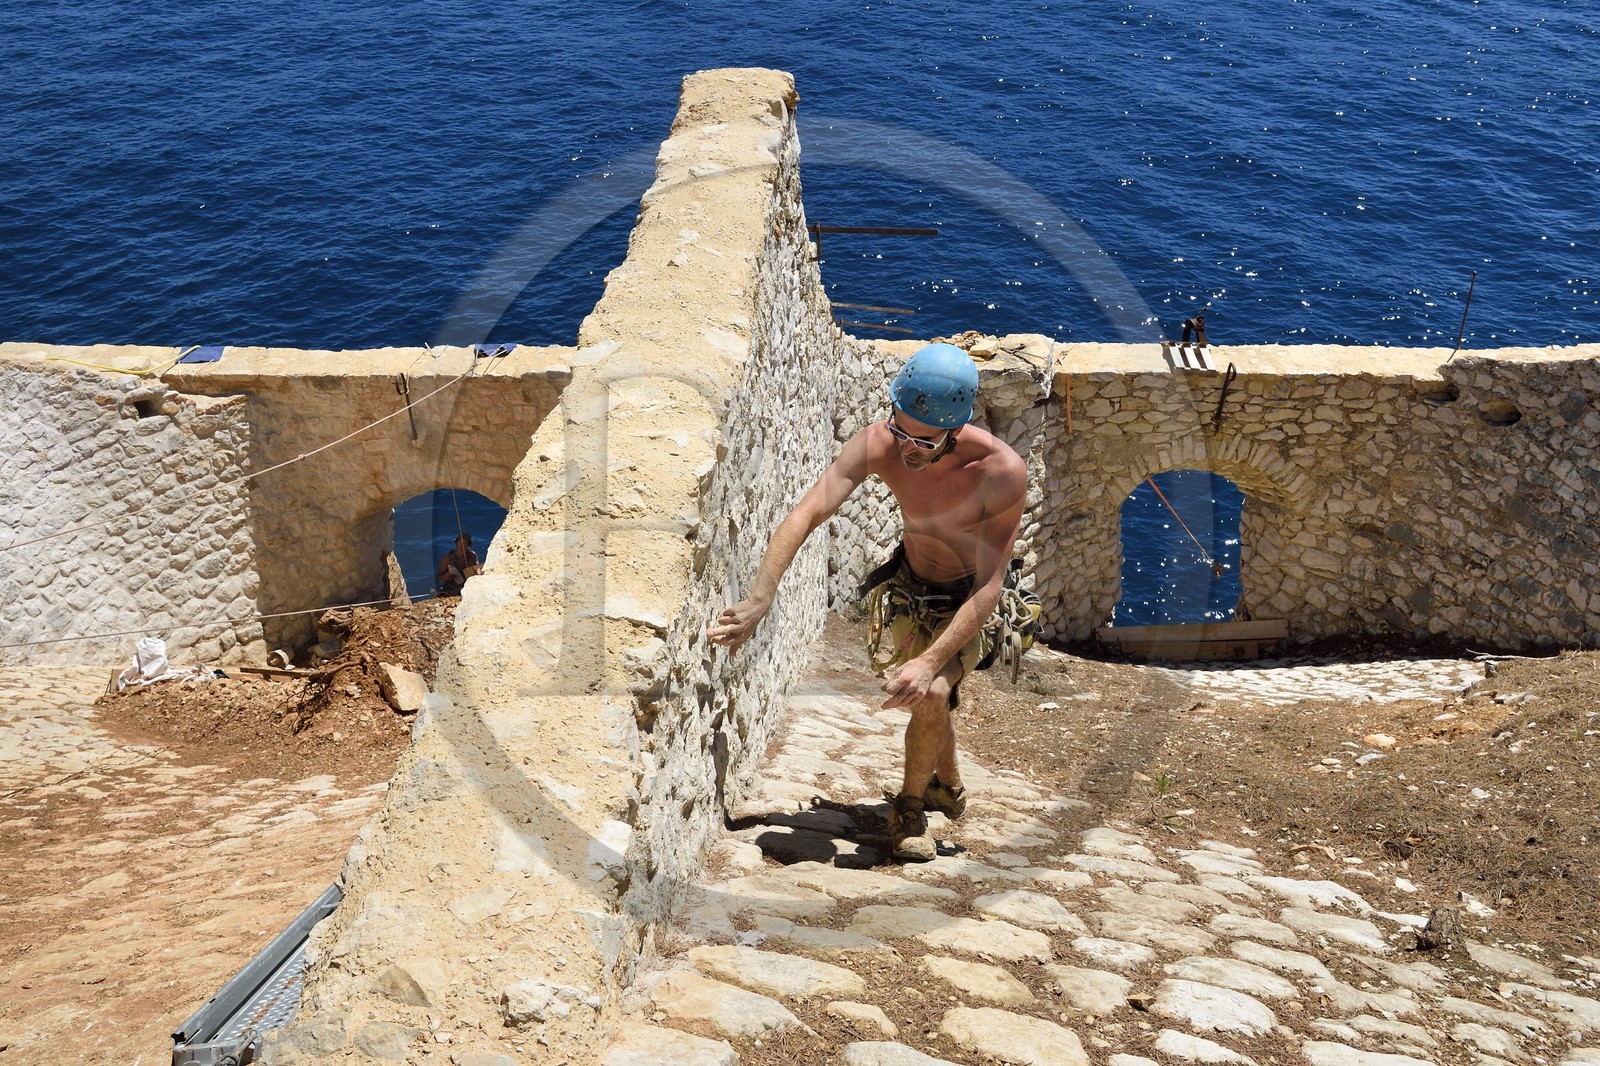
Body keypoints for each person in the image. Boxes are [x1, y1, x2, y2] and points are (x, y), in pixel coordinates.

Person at [709, 343, 1040, 862]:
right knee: (935, 700)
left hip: (968, 600)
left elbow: (990, 583)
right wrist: (760, 599)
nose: (906, 446)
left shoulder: (1001, 472)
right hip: (910, 586)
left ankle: (910, 811)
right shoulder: (881, 443)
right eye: (899, 427)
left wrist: (931, 659)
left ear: (955, 429)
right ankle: (946, 780)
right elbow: (806, 513)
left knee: (929, 691)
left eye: (923, 439)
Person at [436, 532, 480, 597]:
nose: (462, 546)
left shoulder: (472, 555)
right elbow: (438, 578)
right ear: (456, 544)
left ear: (468, 545)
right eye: (460, 543)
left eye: (465, 543)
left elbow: (477, 568)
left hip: (467, 587)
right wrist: (446, 577)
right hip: (452, 588)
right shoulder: (448, 558)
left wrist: (477, 574)